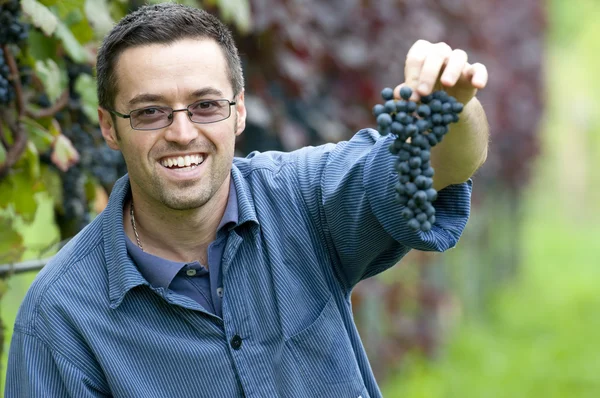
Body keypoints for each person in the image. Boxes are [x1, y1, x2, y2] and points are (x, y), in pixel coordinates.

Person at [6, 3, 488, 397]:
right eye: (150, 111)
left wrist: (454, 106)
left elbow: (442, 165)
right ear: (109, 127)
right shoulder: (61, 317)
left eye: (206, 105)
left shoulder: (304, 199)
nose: (182, 132)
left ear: (238, 112)